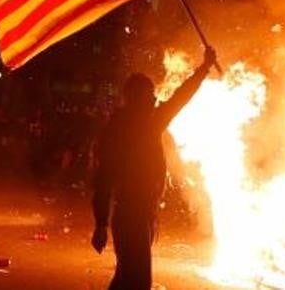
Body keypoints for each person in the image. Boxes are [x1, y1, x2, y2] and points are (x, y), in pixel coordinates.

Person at [91, 46, 218, 290]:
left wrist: (203, 69)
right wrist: (100, 224)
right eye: (149, 96)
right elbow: (103, 180)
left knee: (127, 278)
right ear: (137, 99)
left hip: (140, 215)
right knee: (137, 281)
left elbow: (179, 99)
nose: (154, 100)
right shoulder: (139, 127)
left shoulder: (138, 124)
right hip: (131, 216)